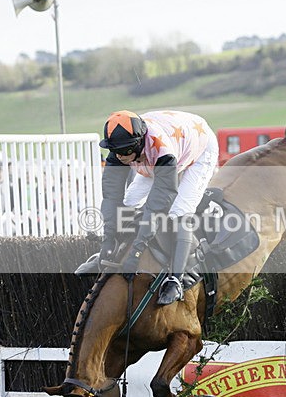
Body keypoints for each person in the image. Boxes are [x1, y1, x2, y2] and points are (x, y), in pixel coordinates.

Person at [76, 109, 218, 305]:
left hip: (199, 149)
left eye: (124, 152)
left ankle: (176, 279)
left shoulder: (162, 152)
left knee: (179, 212)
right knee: (128, 203)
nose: (119, 157)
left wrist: (136, 251)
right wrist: (107, 244)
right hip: (155, 153)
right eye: (115, 151)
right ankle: (111, 254)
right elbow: (112, 199)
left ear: (137, 144)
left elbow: (156, 209)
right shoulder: (120, 151)